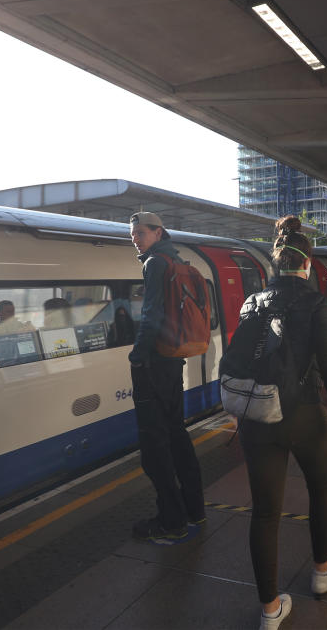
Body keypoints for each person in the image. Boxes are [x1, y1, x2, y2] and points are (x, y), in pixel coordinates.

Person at [237, 216, 327, 629]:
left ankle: (270, 612)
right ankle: (323, 572)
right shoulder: (313, 303)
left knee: (265, 514)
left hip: (257, 416)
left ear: (276, 262)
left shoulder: (253, 301)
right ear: (307, 265)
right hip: (303, 416)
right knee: (321, 489)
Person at [128, 211, 206, 543]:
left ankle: (170, 520)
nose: (135, 238)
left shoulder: (154, 264)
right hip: (174, 361)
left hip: (155, 363)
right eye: (132, 234)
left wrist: (138, 355)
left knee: (154, 446)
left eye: (140, 233)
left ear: (158, 232)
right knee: (177, 434)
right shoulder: (180, 262)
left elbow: (152, 313)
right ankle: (195, 509)